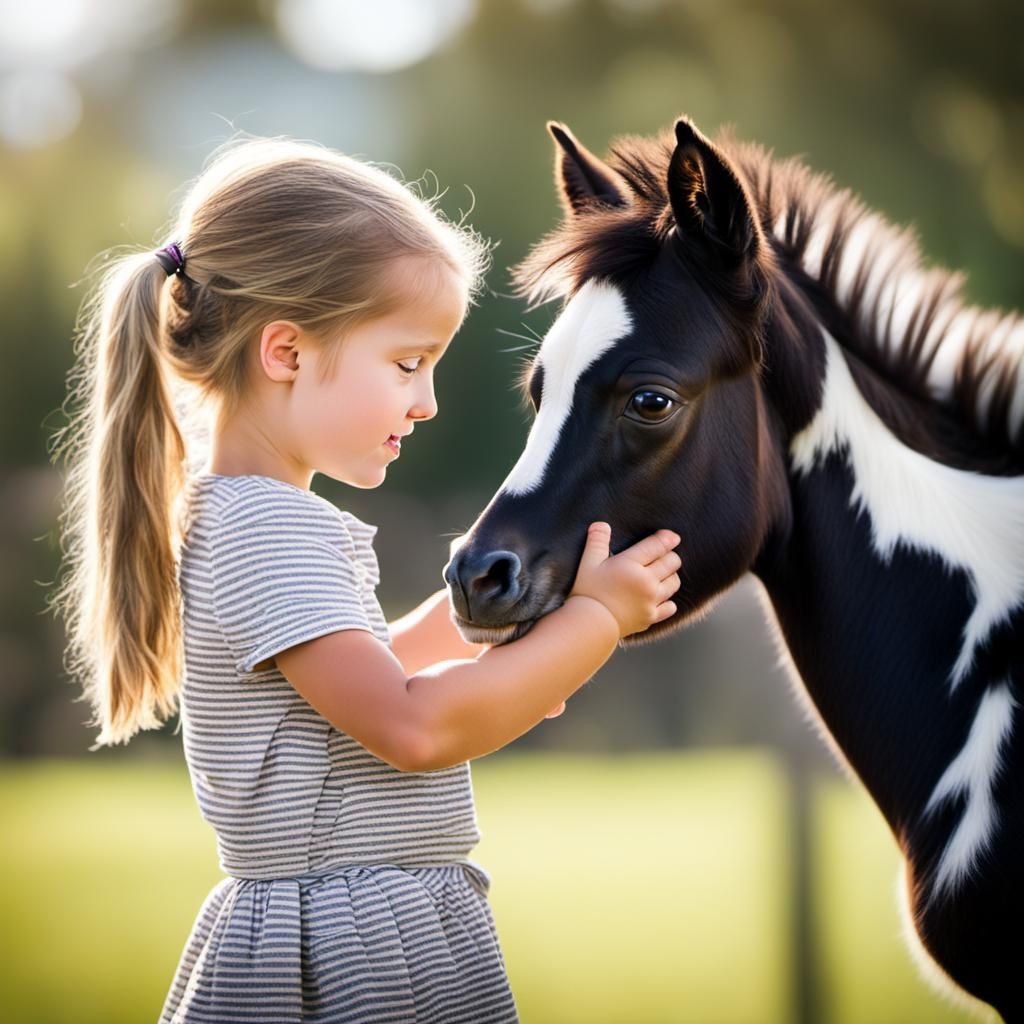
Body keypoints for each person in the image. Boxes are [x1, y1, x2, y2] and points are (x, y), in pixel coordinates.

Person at [50, 136, 681, 1023]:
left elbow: (348, 683)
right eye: (406, 364)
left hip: (348, 918)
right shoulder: (269, 529)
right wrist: (597, 620)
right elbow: (411, 726)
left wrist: (485, 638)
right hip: (354, 948)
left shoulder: (242, 516)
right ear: (286, 353)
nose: (426, 403)